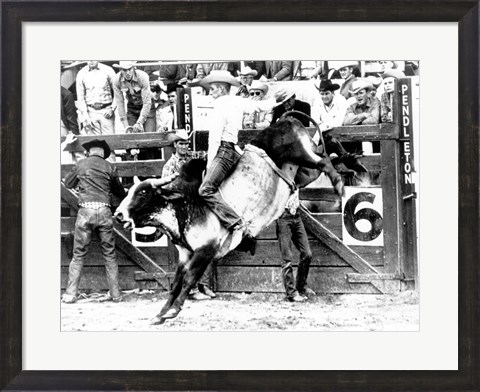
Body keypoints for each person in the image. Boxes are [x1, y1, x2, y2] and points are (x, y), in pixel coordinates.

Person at [198, 70, 274, 247]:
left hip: (223, 150)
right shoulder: (237, 101)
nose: (211, 93)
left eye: (213, 89)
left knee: (205, 189)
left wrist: (210, 163)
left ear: (222, 89)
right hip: (234, 150)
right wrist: (274, 100)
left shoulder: (219, 106)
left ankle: (236, 223)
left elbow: (215, 138)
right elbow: (260, 106)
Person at [61, 138, 126, 304]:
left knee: (78, 255)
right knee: (109, 254)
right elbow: (119, 191)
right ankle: (116, 294)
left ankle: (70, 294)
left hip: (85, 211)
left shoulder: (81, 164)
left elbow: (68, 183)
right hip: (104, 211)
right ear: (103, 153)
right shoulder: (110, 167)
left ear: (88, 151)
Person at [162, 129, 216, 300]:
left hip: (197, 209)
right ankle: (192, 290)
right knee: (189, 250)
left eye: (186, 143)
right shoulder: (170, 166)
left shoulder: (192, 159)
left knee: (206, 246)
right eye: (181, 143)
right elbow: (165, 190)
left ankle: (203, 285)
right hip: (182, 212)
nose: (184, 146)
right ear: (175, 145)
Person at [315, 79, 368, 172]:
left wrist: (323, 126)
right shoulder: (317, 103)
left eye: (327, 93)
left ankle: (353, 170)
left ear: (332, 93)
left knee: (340, 151)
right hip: (324, 140)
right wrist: (323, 126)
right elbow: (314, 121)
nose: (324, 96)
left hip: (342, 139)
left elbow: (339, 122)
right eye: (322, 94)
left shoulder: (341, 101)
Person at [276, 189, 316, 302]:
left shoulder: (295, 173)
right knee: (286, 258)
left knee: (307, 253)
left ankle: (301, 287)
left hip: (296, 215)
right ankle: (291, 294)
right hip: (283, 217)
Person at [76, 61, 116, 135]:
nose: (91, 60)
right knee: (94, 142)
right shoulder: (81, 73)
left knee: (110, 141)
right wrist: (85, 117)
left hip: (106, 111)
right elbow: (80, 98)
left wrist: (112, 109)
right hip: (90, 112)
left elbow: (117, 91)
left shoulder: (108, 70)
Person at [112, 61, 153, 133]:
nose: (127, 73)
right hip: (132, 107)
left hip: (147, 107)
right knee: (131, 135)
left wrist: (139, 122)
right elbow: (120, 103)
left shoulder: (143, 76)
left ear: (133, 68)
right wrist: (125, 125)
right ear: (120, 70)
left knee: (150, 135)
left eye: (129, 69)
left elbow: (147, 102)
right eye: (124, 70)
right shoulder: (116, 80)